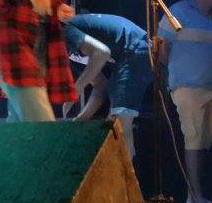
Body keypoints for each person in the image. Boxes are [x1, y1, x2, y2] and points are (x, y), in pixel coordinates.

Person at [157, 0, 212, 203]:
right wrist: (177, 75)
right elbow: (161, 49)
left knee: (203, 142)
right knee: (194, 139)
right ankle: (194, 196)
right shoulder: (178, 11)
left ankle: (196, 194)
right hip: (187, 88)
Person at [63, 12, 152, 159]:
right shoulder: (73, 54)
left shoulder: (66, 32)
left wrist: (76, 89)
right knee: (113, 123)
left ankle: (125, 169)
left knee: (119, 123)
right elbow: (100, 85)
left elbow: (102, 53)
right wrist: (80, 120)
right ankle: (121, 165)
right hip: (128, 53)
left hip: (135, 47)